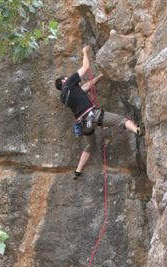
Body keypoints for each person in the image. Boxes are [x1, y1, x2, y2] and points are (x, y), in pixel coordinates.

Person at [55, 45, 143, 178]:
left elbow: (86, 87)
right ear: (64, 81)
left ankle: (78, 171)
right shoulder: (69, 83)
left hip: (84, 125)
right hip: (93, 116)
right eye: (66, 78)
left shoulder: (64, 97)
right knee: (121, 120)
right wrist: (84, 52)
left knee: (90, 145)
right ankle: (137, 130)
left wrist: (101, 76)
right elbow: (85, 67)